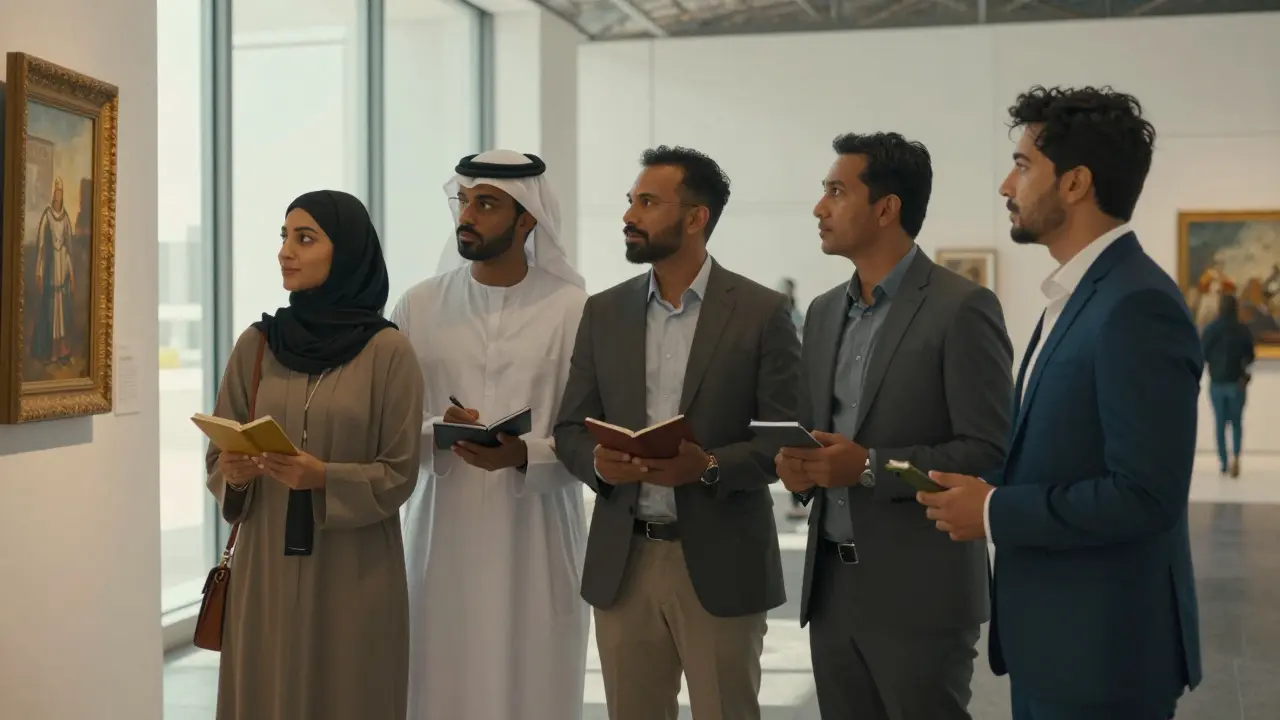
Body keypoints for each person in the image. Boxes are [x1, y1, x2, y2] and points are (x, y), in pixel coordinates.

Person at [918, 86, 1203, 720]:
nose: (1004, 185)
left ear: (1074, 183)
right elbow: (1063, 454)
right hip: (1062, 642)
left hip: (1105, 654)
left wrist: (995, 512)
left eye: (1022, 166)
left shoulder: (1136, 305)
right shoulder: (1078, 296)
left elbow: (1146, 495)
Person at [553, 145, 801, 720]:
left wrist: (708, 466)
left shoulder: (762, 312)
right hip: (624, 561)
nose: (629, 215)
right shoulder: (604, 312)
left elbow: (783, 441)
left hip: (720, 559)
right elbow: (569, 428)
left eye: (647, 202)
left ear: (695, 218)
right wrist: (596, 461)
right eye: (629, 201)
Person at [774, 132, 1014, 720]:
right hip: (831, 588)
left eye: (836, 191)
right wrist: (800, 467)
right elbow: (819, 432)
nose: (819, 207)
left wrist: (868, 468)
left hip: (922, 594)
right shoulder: (825, 311)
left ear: (886, 208)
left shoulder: (962, 308)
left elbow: (987, 450)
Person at [205, 190, 424, 720]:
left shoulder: (388, 352)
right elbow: (219, 454)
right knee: (267, 689)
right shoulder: (256, 345)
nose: (286, 251)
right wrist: (233, 472)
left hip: (353, 569)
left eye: (305, 238)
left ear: (346, 252)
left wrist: (323, 476)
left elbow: (399, 472)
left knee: (350, 691)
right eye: (284, 237)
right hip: (266, 568)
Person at [392, 149, 590, 720]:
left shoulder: (572, 308)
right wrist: (438, 431)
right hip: (442, 527)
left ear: (526, 218)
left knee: (535, 675)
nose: (467, 215)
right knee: (439, 674)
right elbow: (391, 416)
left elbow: (585, 427)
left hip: (537, 530)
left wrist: (526, 454)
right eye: (464, 200)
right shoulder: (419, 304)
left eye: (486, 203)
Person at [1201, 292, 1255, 477]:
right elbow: (1250, 355)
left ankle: (1223, 462)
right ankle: (1237, 457)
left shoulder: (1211, 329)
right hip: (1237, 382)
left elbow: (1203, 353)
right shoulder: (1242, 330)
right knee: (1237, 422)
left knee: (1220, 423)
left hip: (1217, 382)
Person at [33, 176, 76, 365]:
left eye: (61, 192)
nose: (58, 195)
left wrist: (72, 274)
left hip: (63, 267)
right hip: (51, 268)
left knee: (62, 307)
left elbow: (68, 246)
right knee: (52, 308)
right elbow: (41, 247)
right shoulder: (47, 215)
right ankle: (51, 349)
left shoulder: (65, 217)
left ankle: (61, 347)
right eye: (56, 191)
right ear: (53, 193)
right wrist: (39, 272)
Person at [777, 277, 809, 520]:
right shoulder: (776, 317)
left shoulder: (797, 318)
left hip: (798, 388)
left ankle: (800, 499)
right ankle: (796, 498)